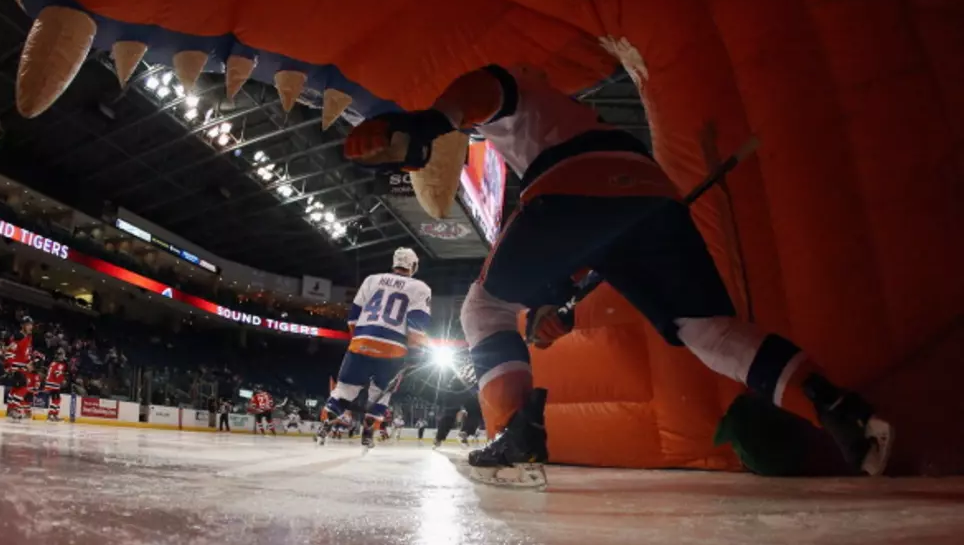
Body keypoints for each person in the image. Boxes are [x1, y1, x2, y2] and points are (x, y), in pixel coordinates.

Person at [344, 64, 893, 486]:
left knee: (483, 310)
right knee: (706, 330)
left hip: (574, 179)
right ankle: (837, 409)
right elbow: (585, 247)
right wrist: (549, 301)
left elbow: (485, 87)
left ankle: (515, 439)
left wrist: (430, 123)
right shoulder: (568, 113)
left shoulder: (513, 89)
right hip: (649, 195)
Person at [319, 247, 431, 449]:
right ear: (413, 266)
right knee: (381, 394)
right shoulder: (420, 288)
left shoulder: (371, 280)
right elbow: (416, 327)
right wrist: (415, 352)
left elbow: (353, 318)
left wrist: (360, 342)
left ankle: (326, 422)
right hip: (393, 350)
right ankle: (368, 432)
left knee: (344, 389)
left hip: (361, 342)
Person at [4, 316, 34, 419]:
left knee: (15, 388)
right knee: (23, 388)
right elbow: (10, 351)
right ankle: (14, 409)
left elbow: (25, 354)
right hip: (16, 367)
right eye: (28, 324)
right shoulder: (19, 336)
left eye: (31, 325)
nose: (31, 327)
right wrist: (9, 366)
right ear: (23, 325)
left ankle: (9, 409)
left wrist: (28, 363)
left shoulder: (28, 338)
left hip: (22, 367)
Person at [44, 349, 67, 422]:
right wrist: (62, 380)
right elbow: (57, 374)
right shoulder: (60, 364)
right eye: (62, 355)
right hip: (53, 383)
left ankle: (54, 414)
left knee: (57, 399)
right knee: (56, 399)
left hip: (50, 383)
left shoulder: (53, 363)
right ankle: (51, 415)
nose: (63, 356)